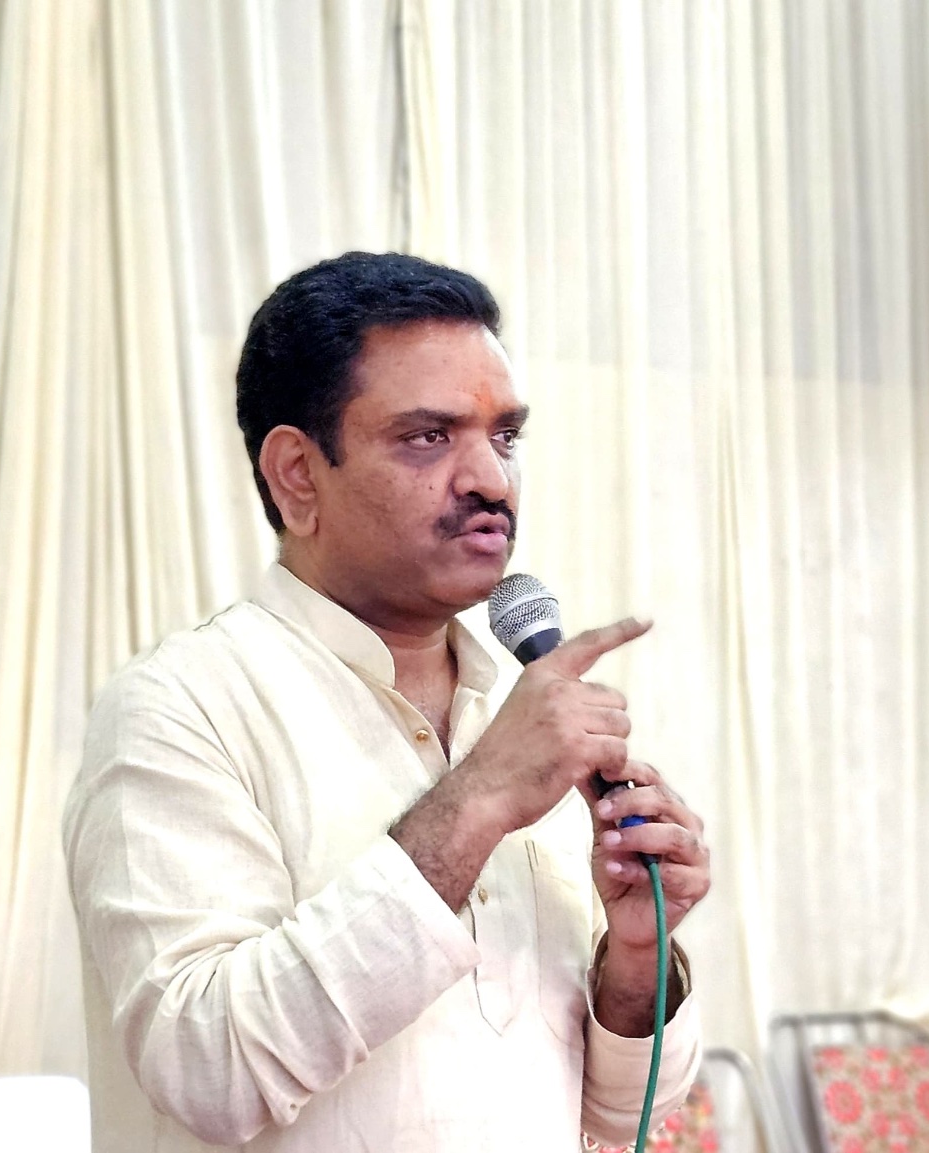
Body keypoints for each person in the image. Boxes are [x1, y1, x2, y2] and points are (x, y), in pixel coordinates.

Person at [64, 252, 711, 1152]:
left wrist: (636, 959)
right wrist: (479, 799)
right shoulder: (182, 706)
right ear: (297, 474)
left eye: (505, 437)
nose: (492, 480)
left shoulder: (515, 718)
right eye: (429, 436)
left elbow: (618, 1111)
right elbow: (208, 1069)